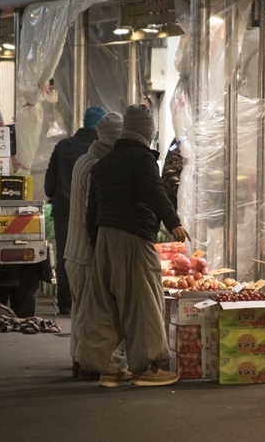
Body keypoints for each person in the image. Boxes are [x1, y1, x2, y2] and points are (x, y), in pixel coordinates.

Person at [78, 104, 190, 388]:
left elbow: (92, 210)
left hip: (105, 237)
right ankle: (149, 368)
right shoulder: (141, 159)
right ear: (147, 133)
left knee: (105, 304)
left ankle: (109, 369)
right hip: (133, 237)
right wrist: (173, 221)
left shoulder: (104, 162)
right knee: (143, 302)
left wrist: (96, 243)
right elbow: (154, 191)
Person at [63, 112, 124, 378]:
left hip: (72, 251)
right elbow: (92, 214)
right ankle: (90, 366)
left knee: (80, 312)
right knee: (92, 315)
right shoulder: (96, 166)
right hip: (87, 254)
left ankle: (78, 362)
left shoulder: (82, 161)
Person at [45, 106, 107, 315]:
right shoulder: (103, 150)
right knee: (93, 255)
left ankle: (65, 303)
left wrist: (56, 195)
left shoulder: (63, 146)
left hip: (64, 210)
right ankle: (90, 303)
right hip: (93, 212)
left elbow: (49, 184)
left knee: (65, 256)